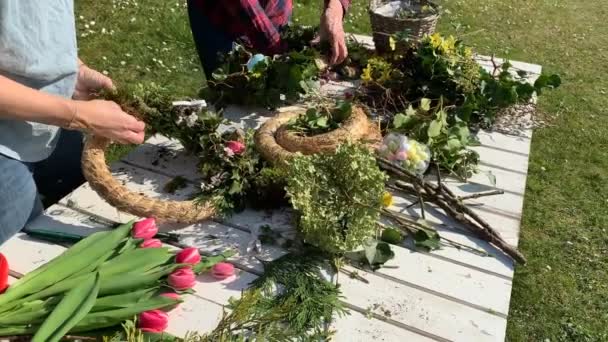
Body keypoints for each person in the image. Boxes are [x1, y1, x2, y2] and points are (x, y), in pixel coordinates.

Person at [0, 1, 146, 244]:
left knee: (80, 220)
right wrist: (78, 114)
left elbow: (28, 20)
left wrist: (73, 70)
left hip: (46, 122)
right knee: (24, 257)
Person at [187, 0, 351, 78]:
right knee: (235, 101)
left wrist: (335, 9)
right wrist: (283, 55)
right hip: (224, 17)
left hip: (275, 6)